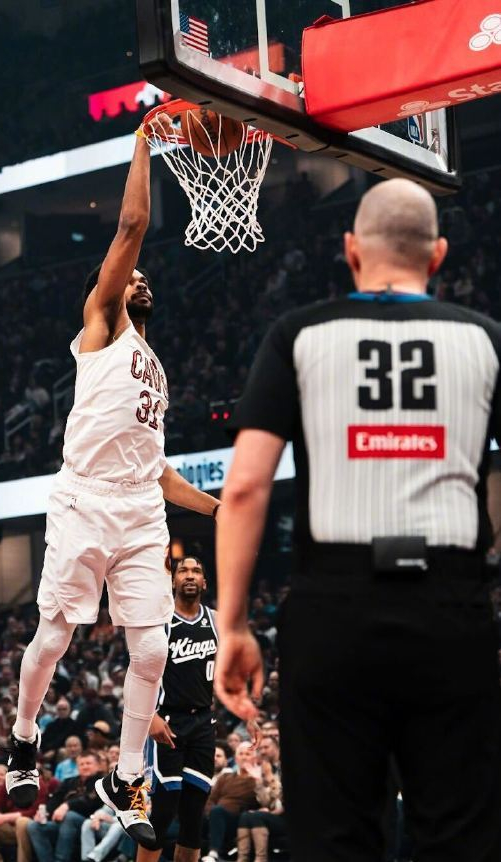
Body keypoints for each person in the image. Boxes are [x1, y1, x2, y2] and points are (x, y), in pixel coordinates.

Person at [215, 178, 501, 862]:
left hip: (333, 611)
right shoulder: (487, 340)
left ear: (351, 250)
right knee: (460, 838)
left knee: (335, 841)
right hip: (452, 608)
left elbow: (246, 487)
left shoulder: (298, 335)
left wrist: (233, 623)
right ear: (437, 255)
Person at [7, 117, 220, 847]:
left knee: (152, 649)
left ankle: (127, 774)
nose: (140, 276)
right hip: (85, 499)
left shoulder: (154, 368)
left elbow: (157, 469)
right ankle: (24, 737)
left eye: (143, 277)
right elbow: (132, 223)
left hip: (138, 507)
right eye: (131, 274)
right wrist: (143, 142)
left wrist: (218, 508)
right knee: (56, 634)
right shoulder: (102, 323)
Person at [140, 557, 257, 862]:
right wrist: (149, 716)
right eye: (183, 571)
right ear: (173, 581)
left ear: (204, 582)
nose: (189, 575)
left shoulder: (216, 621)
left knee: (194, 817)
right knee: (163, 814)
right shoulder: (160, 621)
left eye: (196, 571)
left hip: (204, 722)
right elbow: (137, 672)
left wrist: (248, 712)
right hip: (167, 721)